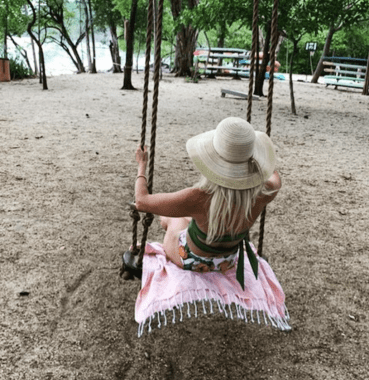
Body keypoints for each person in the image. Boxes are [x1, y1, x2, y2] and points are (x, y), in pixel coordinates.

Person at [132, 117, 281, 289]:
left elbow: (141, 202)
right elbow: (273, 172)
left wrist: (142, 164)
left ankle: (176, 232)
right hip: (228, 260)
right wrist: (263, 159)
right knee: (190, 218)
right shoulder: (266, 191)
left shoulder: (198, 197)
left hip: (188, 258)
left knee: (169, 217)